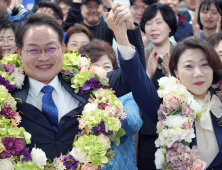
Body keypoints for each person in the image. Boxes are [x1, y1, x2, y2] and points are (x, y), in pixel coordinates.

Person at [12, 2, 145, 160]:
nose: (43, 57)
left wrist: (123, 34)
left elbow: (133, 78)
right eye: (33, 50)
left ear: (63, 49)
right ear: (19, 53)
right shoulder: (7, 95)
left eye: (51, 48)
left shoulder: (87, 82)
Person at [115, 34, 222, 169]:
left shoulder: (220, 99)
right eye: (189, 66)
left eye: (204, 64)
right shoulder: (167, 107)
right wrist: (122, 36)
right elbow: (138, 81)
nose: (198, 73)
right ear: (176, 72)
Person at [79, 39, 142, 170]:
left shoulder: (127, 94)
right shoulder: (78, 96)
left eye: (107, 66)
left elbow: (134, 124)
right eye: (95, 66)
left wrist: (109, 105)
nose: (102, 72)